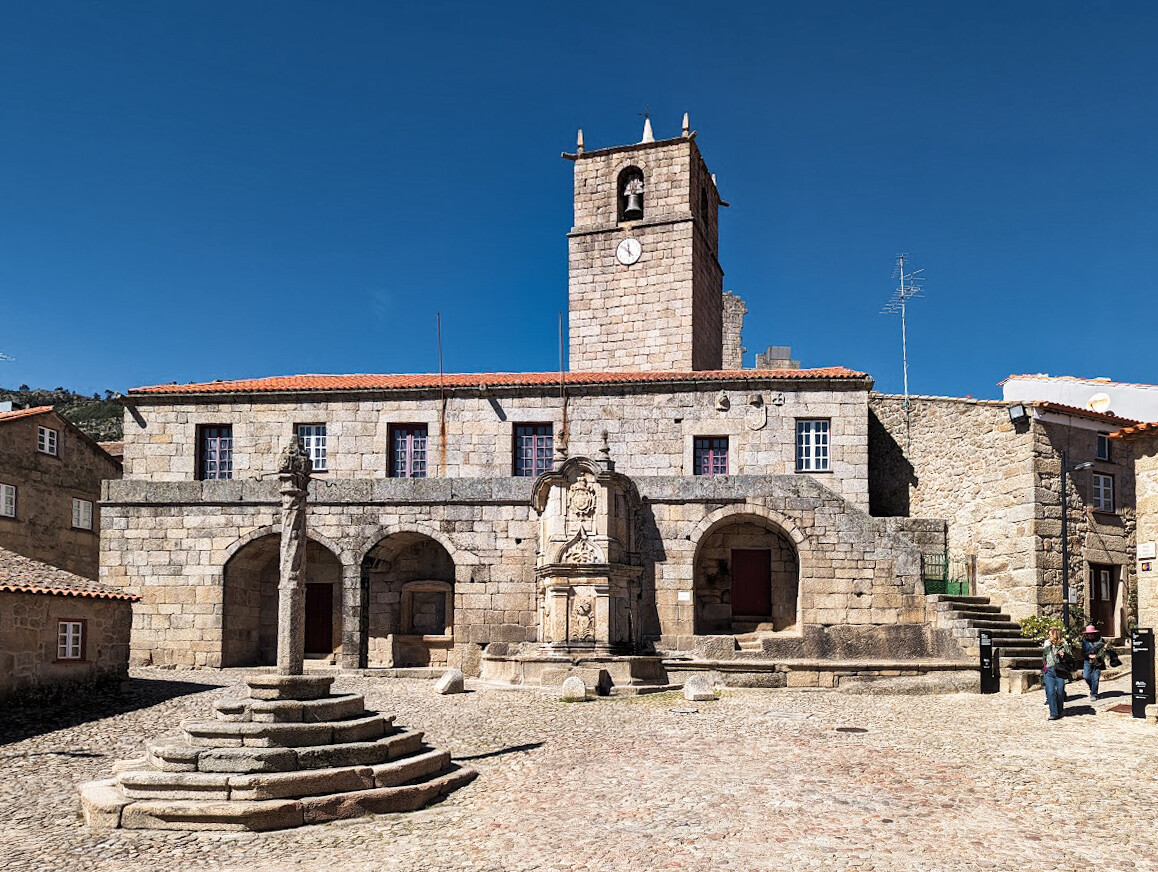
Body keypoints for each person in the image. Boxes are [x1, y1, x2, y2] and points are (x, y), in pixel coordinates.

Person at [1042, 626, 1070, 720]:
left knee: (1060, 692)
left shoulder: (1064, 645)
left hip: (1060, 671)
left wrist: (1064, 655)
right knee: (1051, 692)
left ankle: (1059, 710)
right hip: (1049, 670)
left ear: (1055, 635)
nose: (1048, 636)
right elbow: (1044, 655)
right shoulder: (1047, 644)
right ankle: (1053, 713)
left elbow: (1070, 657)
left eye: (1049, 635)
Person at [1081, 624, 1107, 701]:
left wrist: (1099, 655)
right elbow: (1082, 653)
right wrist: (1089, 656)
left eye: (1091, 634)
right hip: (1087, 661)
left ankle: (1094, 694)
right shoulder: (1084, 641)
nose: (1090, 635)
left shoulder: (1100, 640)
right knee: (1086, 676)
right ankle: (1093, 688)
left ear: (1095, 634)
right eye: (1088, 634)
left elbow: (1103, 651)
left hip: (1098, 662)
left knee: (1095, 678)